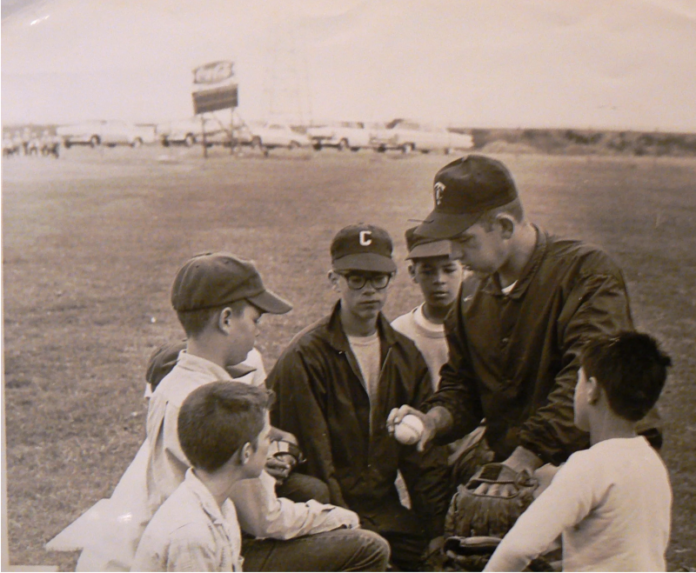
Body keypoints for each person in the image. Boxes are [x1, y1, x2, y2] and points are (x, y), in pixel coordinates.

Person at [388, 154, 662, 495]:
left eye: (463, 240)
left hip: (600, 466)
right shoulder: (470, 294)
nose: (455, 254)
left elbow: (588, 381)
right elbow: (462, 387)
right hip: (526, 470)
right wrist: (433, 420)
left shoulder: (586, 272)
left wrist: (521, 461)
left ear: (504, 226)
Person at [148, 251, 390, 572]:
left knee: (312, 490)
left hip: (199, 514)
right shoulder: (216, 401)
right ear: (225, 320)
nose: (257, 330)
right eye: (254, 320)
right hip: (214, 540)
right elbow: (263, 519)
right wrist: (332, 517)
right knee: (370, 548)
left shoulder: (174, 382)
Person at [267, 224, 451, 571]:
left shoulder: (404, 354)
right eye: (356, 278)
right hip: (321, 515)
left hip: (384, 513)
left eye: (378, 278)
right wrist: (354, 532)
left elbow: (424, 461)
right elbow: (317, 462)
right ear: (334, 279)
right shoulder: (305, 356)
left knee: (452, 562)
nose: (369, 290)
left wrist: (434, 533)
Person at [485, 331, 672, 571]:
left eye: (578, 382)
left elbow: (518, 549)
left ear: (592, 390)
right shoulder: (652, 463)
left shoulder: (588, 465)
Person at [132, 381, 274, 571]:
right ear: (246, 453)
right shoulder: (192, 535)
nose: (270, 445)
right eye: (267, 438)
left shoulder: (221, 505)